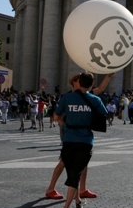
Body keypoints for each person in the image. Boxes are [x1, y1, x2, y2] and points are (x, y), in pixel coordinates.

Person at [45, 72, 113, 200]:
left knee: (83, 162)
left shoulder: (86, 95)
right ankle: (51, 188)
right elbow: (56, 116)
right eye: (77, 80)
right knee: (64, 162)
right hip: (71, 134)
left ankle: (82, 189)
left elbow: (100, 89)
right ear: (74, 83)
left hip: (79, 136)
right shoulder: (69, 97)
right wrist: (64, 125)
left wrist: (108, 77)